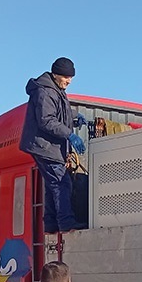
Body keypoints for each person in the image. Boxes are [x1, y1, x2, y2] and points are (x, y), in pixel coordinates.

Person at [19, 57, 88, 234]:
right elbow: (46, 120)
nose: (69, 81)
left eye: (71, 78)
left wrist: (75, 116)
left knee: (52, 185)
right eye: (67, 77)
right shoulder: (45, 91)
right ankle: (66, 224)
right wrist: (69, 134)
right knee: (61, 183)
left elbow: (61, 111)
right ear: (57, 74)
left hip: (47, 146)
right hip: (44, 146)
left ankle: (50, 225)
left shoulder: (56, 89)